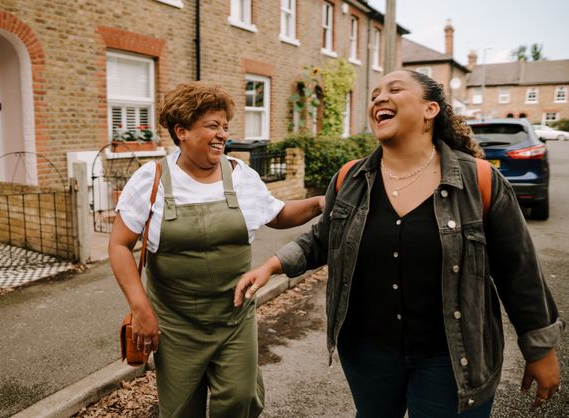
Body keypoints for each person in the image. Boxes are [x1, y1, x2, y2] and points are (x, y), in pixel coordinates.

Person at [235, 70, 563, 417]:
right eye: (375, 93)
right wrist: (271, 265)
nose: (379, 98)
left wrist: (539, 349)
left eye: (394, 90)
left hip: (451, 357)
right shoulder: (350, 178)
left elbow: (518, 270)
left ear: (430, 109)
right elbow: (324, 238)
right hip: (368, 353)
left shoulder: (478, 180)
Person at [108, 82, 324, 418]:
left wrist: (322, 202)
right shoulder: (151, 180)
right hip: (176, 324)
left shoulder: (241, 175)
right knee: (180, 411)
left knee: (240, 399)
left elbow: (277, 214)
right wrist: (140, 307)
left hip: (234, 317)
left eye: (224, 126)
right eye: (212, 126)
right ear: (181, 131)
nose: (222, 134)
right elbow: (119, 245)